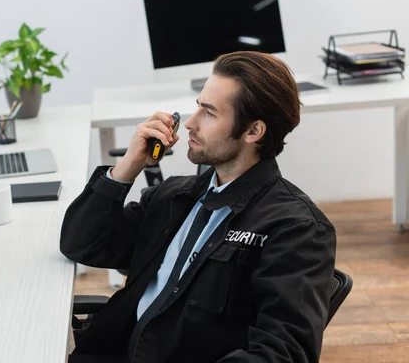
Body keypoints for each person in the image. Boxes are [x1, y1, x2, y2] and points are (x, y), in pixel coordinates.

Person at [60, 51, 336, 363]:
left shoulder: (296, 229)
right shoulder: (174, 197)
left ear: (253, 131)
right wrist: (128, 166)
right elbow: (80, 244)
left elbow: (284, 353)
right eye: (197, 107)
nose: (190, 123)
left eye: (209, 113)